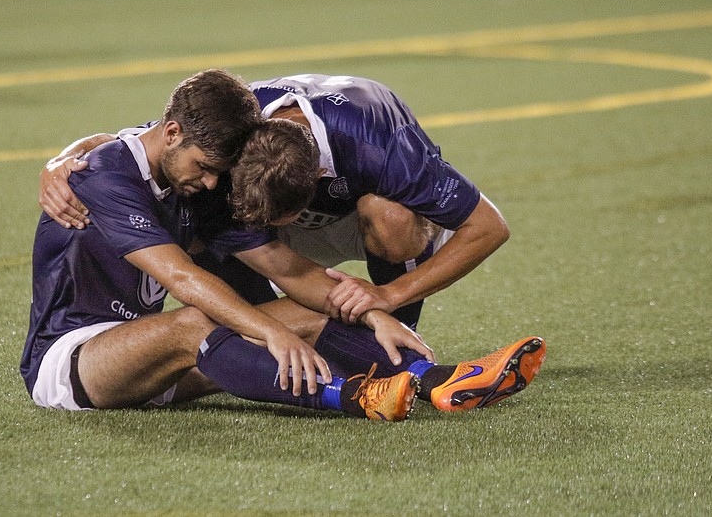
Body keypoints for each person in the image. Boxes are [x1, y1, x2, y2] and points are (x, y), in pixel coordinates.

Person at [36, 74, 546, 415]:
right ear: (171, 133)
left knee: (295, 315)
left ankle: (436, 378)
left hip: (149, 362)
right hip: (72, 362)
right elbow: (183, 280)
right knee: (202, 321)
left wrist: (376, 310)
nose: (214, 184)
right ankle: (357, 396)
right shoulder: (104, 176)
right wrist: (270, 332)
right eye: (207, 169)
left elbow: (285, 265)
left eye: (219, 172)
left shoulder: (188, 176)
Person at [41, 74, 510, 330]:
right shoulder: (240, 122)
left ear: (319, 182)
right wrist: (66, 157)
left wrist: (388, 295)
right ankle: (272, 338)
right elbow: (148, 138)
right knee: (202, 217)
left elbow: (490, 227)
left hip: (360, 216)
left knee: (391, 218)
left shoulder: (380, 144)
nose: (209, 180)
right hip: (284, 232)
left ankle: (398, 336)